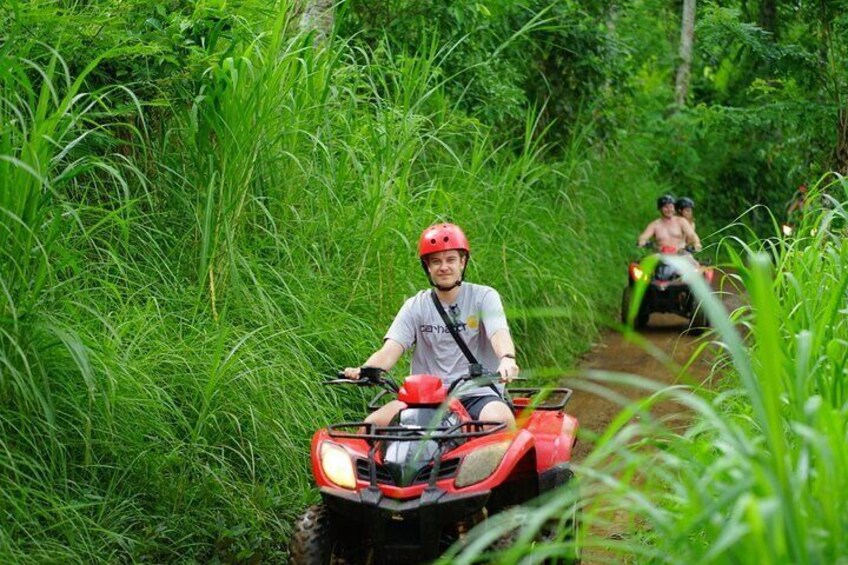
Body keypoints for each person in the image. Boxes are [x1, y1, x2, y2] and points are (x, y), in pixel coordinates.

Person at [343, 223, 519, 429]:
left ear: (463, 262)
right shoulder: (416, 305)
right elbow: (390, 351)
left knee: (501, 421)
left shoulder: (484, 297)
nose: (444, 267)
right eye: (436, 261)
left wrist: (507, 359)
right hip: (424, 399)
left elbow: (498, 333)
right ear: (427, 267)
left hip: (476, 394)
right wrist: (364, 370)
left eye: (451, 259)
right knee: (370, 426)